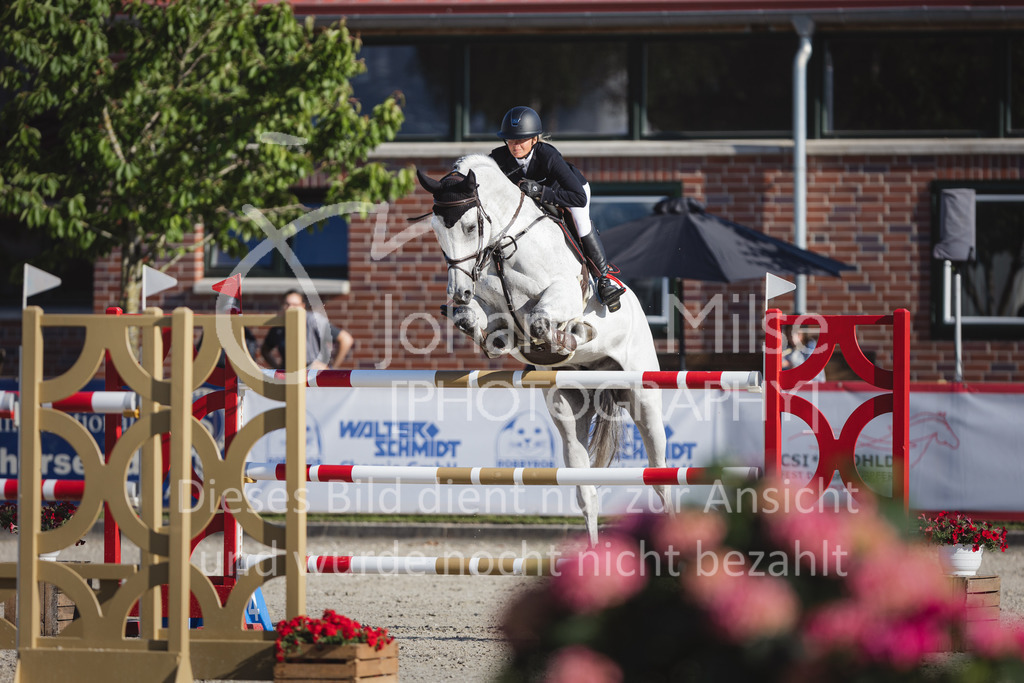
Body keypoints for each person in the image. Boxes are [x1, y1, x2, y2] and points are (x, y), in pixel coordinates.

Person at [489, 105, 626, 312]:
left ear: (534, 139)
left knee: (580, 223)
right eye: (510, 140)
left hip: (570, 192)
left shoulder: (548, 156)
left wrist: (541, 192)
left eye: (520, 140)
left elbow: (578, 198)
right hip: (536, 198)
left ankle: (603, 279)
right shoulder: (499, 158)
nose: (515, 146)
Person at [261, 289, 354, 370]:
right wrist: (277, 368)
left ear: (302, 306)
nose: (290, 308)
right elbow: (265, 350)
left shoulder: (313, 321)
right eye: (287, 304)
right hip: (289, 377)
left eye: (294, 305)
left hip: (312, 375)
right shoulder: (279, 326)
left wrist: (331, 368)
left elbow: (346, 339)